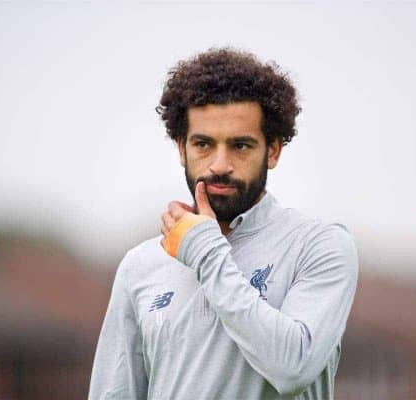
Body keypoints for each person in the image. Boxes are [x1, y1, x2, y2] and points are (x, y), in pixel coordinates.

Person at [88, 47, 358, 400]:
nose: (219, 164)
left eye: (240, 146)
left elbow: (293, 367)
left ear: (273, 150)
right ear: (181, 148)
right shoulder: (141, 266)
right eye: (203, 144)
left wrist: (205, 251)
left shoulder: (319, 246)